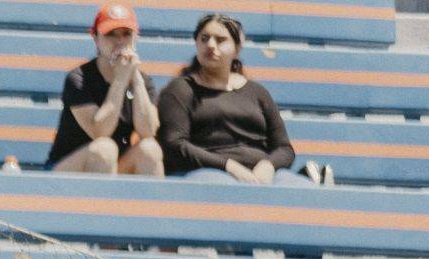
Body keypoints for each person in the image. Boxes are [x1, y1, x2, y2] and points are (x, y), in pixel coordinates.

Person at [158, 14, 313, 182]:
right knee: (222, 186)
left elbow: (284, 149)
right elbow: (174, 145)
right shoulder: (180, 89)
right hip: (208, 171)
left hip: (261, 174)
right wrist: (228, 166)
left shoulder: (257, 92)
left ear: (237, 49)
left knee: (299, 187)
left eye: (220, 40)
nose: (210, 45)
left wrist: (268, 165)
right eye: (204, 38)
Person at [49, 4, 163, 175]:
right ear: (95, 37)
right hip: (67, 169)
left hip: (114, 167)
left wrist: (136, 79)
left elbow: (148, 131)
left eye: (126, 34)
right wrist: (121, 80)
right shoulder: (79, 78)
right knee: (104, 149)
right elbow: (100, 132)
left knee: (150, 149)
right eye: (111, 34)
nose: (120, 41)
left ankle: (152, 203)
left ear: (136, 37)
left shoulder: (144, 81)